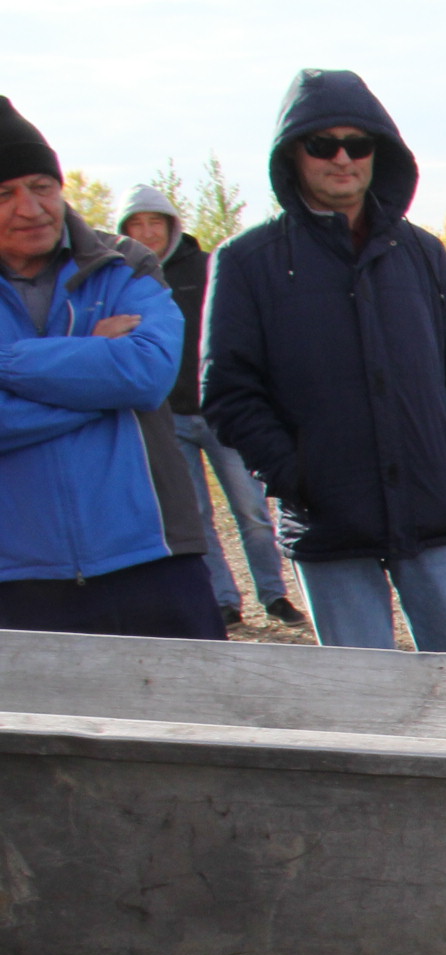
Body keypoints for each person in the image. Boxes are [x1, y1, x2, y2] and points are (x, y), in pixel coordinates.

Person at [201, 69, 446, 653]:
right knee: (361, 704)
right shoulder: (247, 261)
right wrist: (296, 474)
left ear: (378, 152)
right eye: (322, 144)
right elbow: (228, 389)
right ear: (293, 154)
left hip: (433, 507)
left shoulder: (420, 252)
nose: (342, 158)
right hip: (329, 521)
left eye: (357, 143)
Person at [1, 95, 224, 639]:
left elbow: (148, 374)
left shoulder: (124, 262)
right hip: (18, 578)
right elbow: (124, 382)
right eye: (4, 193)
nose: (31, 208)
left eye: (42, 186)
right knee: (43, 729)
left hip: (155, 557)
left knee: (196, 721)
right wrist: (98, 379)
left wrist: (8, 364)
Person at [115, 183, 300, 630]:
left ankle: (275, 594)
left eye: (154, 222)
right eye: (136, 224)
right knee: (196, 515)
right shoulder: (120, 280)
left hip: (219, 413)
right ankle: (225, 600)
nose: (146, 232)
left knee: (252, 510)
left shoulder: (206, 267)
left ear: (171, 225)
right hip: (164, 417)